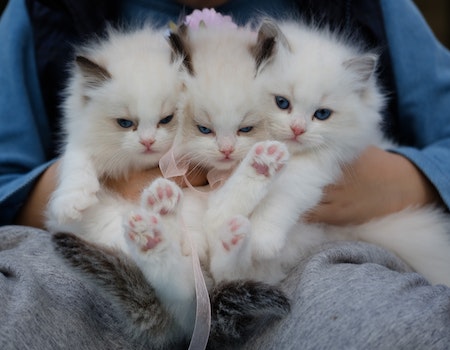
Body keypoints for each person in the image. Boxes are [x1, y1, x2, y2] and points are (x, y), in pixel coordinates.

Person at [0, 0, 449, 349]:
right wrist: (97, 176)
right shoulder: (42, 11)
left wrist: (399, 180)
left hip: (312, 258)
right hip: (99, 263)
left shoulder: (371, 8)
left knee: (392, 328)